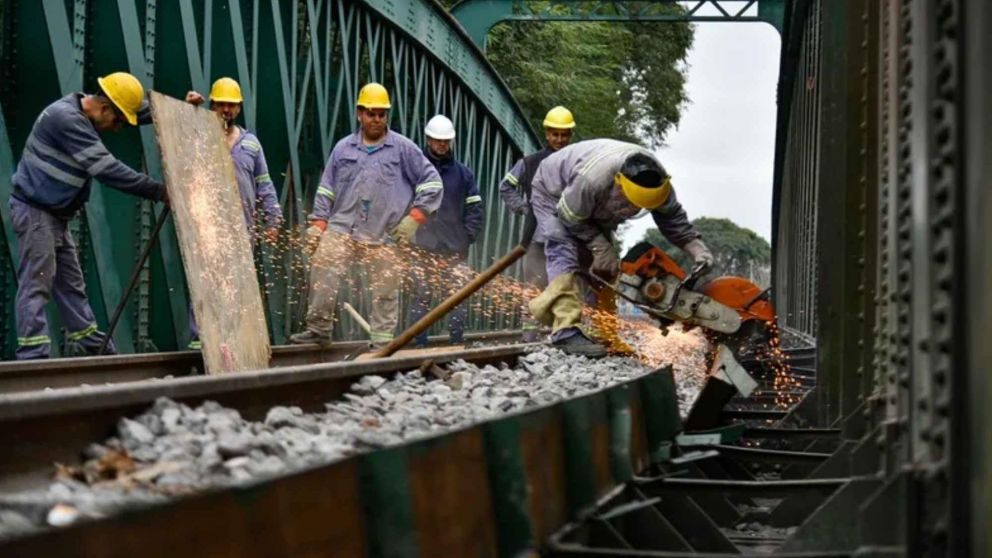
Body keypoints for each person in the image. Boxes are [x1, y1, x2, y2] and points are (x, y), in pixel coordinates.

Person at [9, 72, 168, 359]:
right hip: (36, 212)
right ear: (104, 107)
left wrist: (183, 107)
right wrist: (160, 191)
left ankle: (97, 349)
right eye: (118, 121)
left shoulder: (93, 110)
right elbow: (107, 169)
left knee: (72, 286)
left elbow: (139, 110)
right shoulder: (66, 119)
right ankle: (32, 359)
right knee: (37, 283)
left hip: (56, 215)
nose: (118, 129)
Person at [527, 139, 714, 357]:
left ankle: (603, 332)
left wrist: (698, 250)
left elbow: (673, 220)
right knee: (564, 249)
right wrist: (599, 246)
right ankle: (565, 331)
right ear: (618, 183)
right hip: (554, 192)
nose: (632, 209)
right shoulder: (592, 180)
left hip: (593, 203)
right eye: (629, 202)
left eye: (639, 206)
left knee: (604, 269)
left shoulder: (661, 186)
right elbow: (570, 216)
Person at [290, 83, 443, 348]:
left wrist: (415, 217)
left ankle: (381, 344)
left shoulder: (403, 149)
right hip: (343, 228)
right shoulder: (343, 149)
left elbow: (432, 182)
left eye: (381, 114)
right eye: (371, 113)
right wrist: (318, 223)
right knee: (323, 268)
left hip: (385, 233)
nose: (376, 119)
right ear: (360, 113)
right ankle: (318, 330)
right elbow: (326, 188)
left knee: (386, 289)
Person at [184, 77, 284, 349]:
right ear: (212, 105)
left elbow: (264, 183)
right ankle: (200, 340)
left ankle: (229, 341)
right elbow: (177, 143)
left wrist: (273, 219)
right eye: (220, 105)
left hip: (243, 227)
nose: (226, 110)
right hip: (206, 224)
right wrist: (187, 109)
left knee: (235, 284)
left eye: (231, 105)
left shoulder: (251, 144)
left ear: (238, 109)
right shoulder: (200, 135)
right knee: (204, 280)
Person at [498, 106, 575, 341]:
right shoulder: (529, 163)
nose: (559, 140)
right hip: (537, 239)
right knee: (532, 287)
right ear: (546, 133)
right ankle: (529, 337)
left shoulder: (577, 163)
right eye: (555, 134)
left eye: (564, 135)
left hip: (567, 239)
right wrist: (524, 208)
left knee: (565, 289)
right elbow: (506, 186)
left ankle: (564, 333)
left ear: (570, 135)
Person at [407, 115, 484, 347]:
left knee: (457, 298)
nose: (441, 144)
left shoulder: (463, 174)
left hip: (454, 249)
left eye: (445, 141)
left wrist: (466, 237)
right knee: (420, 297)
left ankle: (456, 344)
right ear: (428, 139)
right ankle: (419, 345)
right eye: (437, 140)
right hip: (422, 246)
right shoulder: (415, 171)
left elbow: (475, 209)